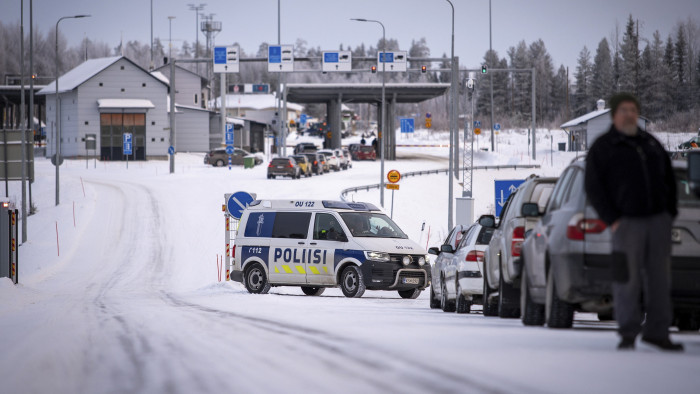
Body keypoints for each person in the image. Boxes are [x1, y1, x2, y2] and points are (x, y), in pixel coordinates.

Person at [585, 93, 682, 352]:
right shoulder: (604, 147)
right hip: (626, 224)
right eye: (624, 110)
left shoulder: (651, 143)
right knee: (626, 279)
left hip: (657, 221)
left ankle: (657, 332)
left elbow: (669, 180)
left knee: (660, 279)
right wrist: (612, 219)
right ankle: (628, 332)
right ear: (614, 114)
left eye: (633, 110)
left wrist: (668, 213)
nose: (629, 114)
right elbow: (593, 188)